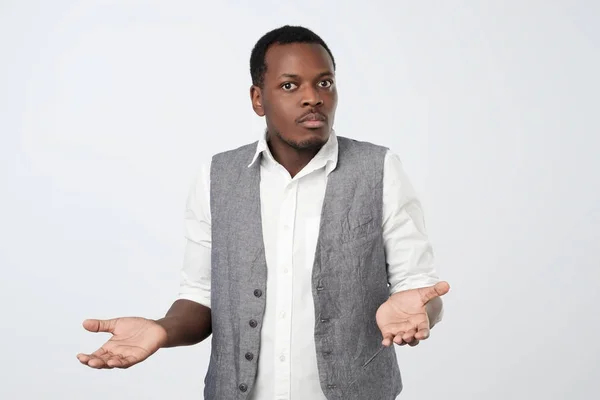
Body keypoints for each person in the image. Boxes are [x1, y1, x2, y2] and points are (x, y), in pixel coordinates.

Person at [77, 25, 450, 400]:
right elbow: (200, 294)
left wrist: (423, 311)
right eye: (290, 85)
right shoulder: (217, 176)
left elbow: (419, 290)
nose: (312, 98)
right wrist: (162, 329)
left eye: (324, 83)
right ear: (258, 99)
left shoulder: (380, 168)